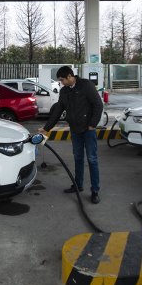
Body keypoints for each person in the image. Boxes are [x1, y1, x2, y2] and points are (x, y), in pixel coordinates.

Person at [38, 66, 104, 204]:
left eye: (62, 80)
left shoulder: (86, 85)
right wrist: (47, 128)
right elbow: (58, 110)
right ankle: (78, 185)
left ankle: (95, 191)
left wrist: (93, 124)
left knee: (92, 159)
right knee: (78, 158)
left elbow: (98, 105)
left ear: (69, 76)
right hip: (75, 129)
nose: (61, 82)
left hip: (88, 130)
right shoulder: (64, 91)